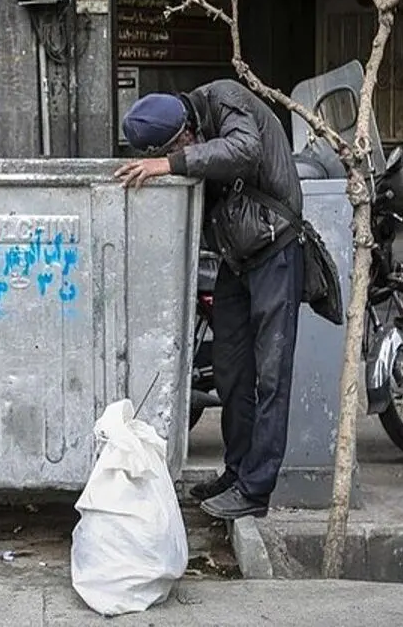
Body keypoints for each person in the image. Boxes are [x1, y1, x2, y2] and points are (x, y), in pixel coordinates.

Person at [114, 80, 304, 520]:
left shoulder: (226, 98)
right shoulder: (188, 128)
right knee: (230, 369)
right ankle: (235, 472)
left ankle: (256, 489)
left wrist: (171, 163)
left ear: (184, 132)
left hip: (276, 251)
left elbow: (245, 150)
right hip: (237, 258)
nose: (182, 152)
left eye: (179, 146)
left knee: (272, 377)